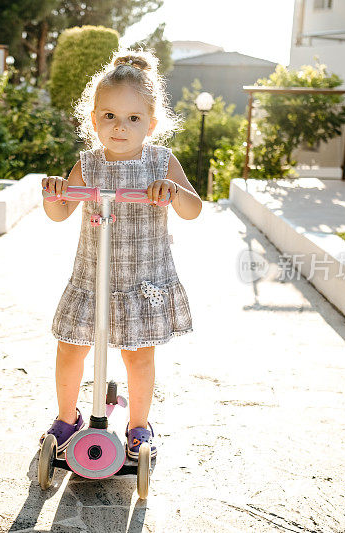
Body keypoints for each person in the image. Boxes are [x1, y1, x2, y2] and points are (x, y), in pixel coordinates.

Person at [39, 49, 203, 460]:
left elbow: (194, 208)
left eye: (133, 118)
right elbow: (59, 213)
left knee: (138, 358)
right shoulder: (89, 164)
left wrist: (172, 191)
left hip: (140, 282)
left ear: (151, 123)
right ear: (93, 119)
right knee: (70, 348)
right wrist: (54, 192)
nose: (119, 127)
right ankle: (66, 417)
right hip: (92, 281)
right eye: (109, 116)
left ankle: (138, 426)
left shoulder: (161, 162)